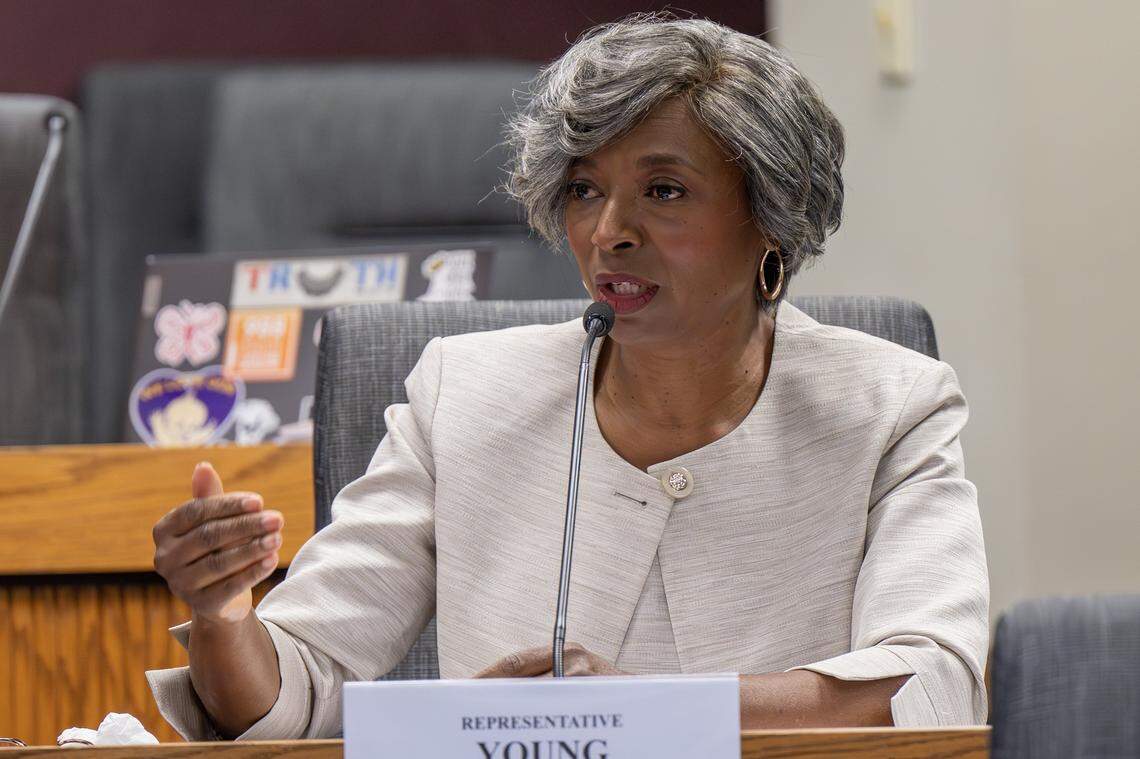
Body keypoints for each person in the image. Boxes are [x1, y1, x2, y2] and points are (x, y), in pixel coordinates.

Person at [147, 15, 988, 740]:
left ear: (773, 213)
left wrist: (643, 711)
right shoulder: (465, 394)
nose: (609, 232)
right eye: (584, 190)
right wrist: (225, 616)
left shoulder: (890, 406)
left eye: (664, 189)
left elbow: (931, 685)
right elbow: (296, 686)